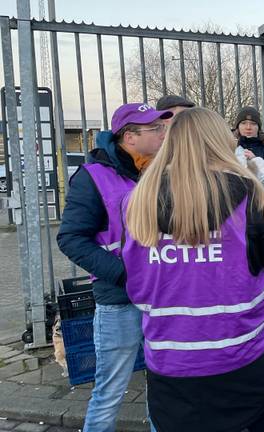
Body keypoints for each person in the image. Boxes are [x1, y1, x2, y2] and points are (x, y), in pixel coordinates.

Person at [122, 107, 264, 432]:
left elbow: (136, 284)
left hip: (172, 366)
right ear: (220, 141)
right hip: (246, 360)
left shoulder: (138, 201)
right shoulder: (250, 194)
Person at [57, 103, 172, 431]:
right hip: (119, 298)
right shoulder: (92, 178)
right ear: (130, 137)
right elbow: (71, 239)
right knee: (110, 389)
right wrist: (124, 274)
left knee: (163, 388)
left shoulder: (161, 172)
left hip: (163, 299)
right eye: (156, 130)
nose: (164, 134)